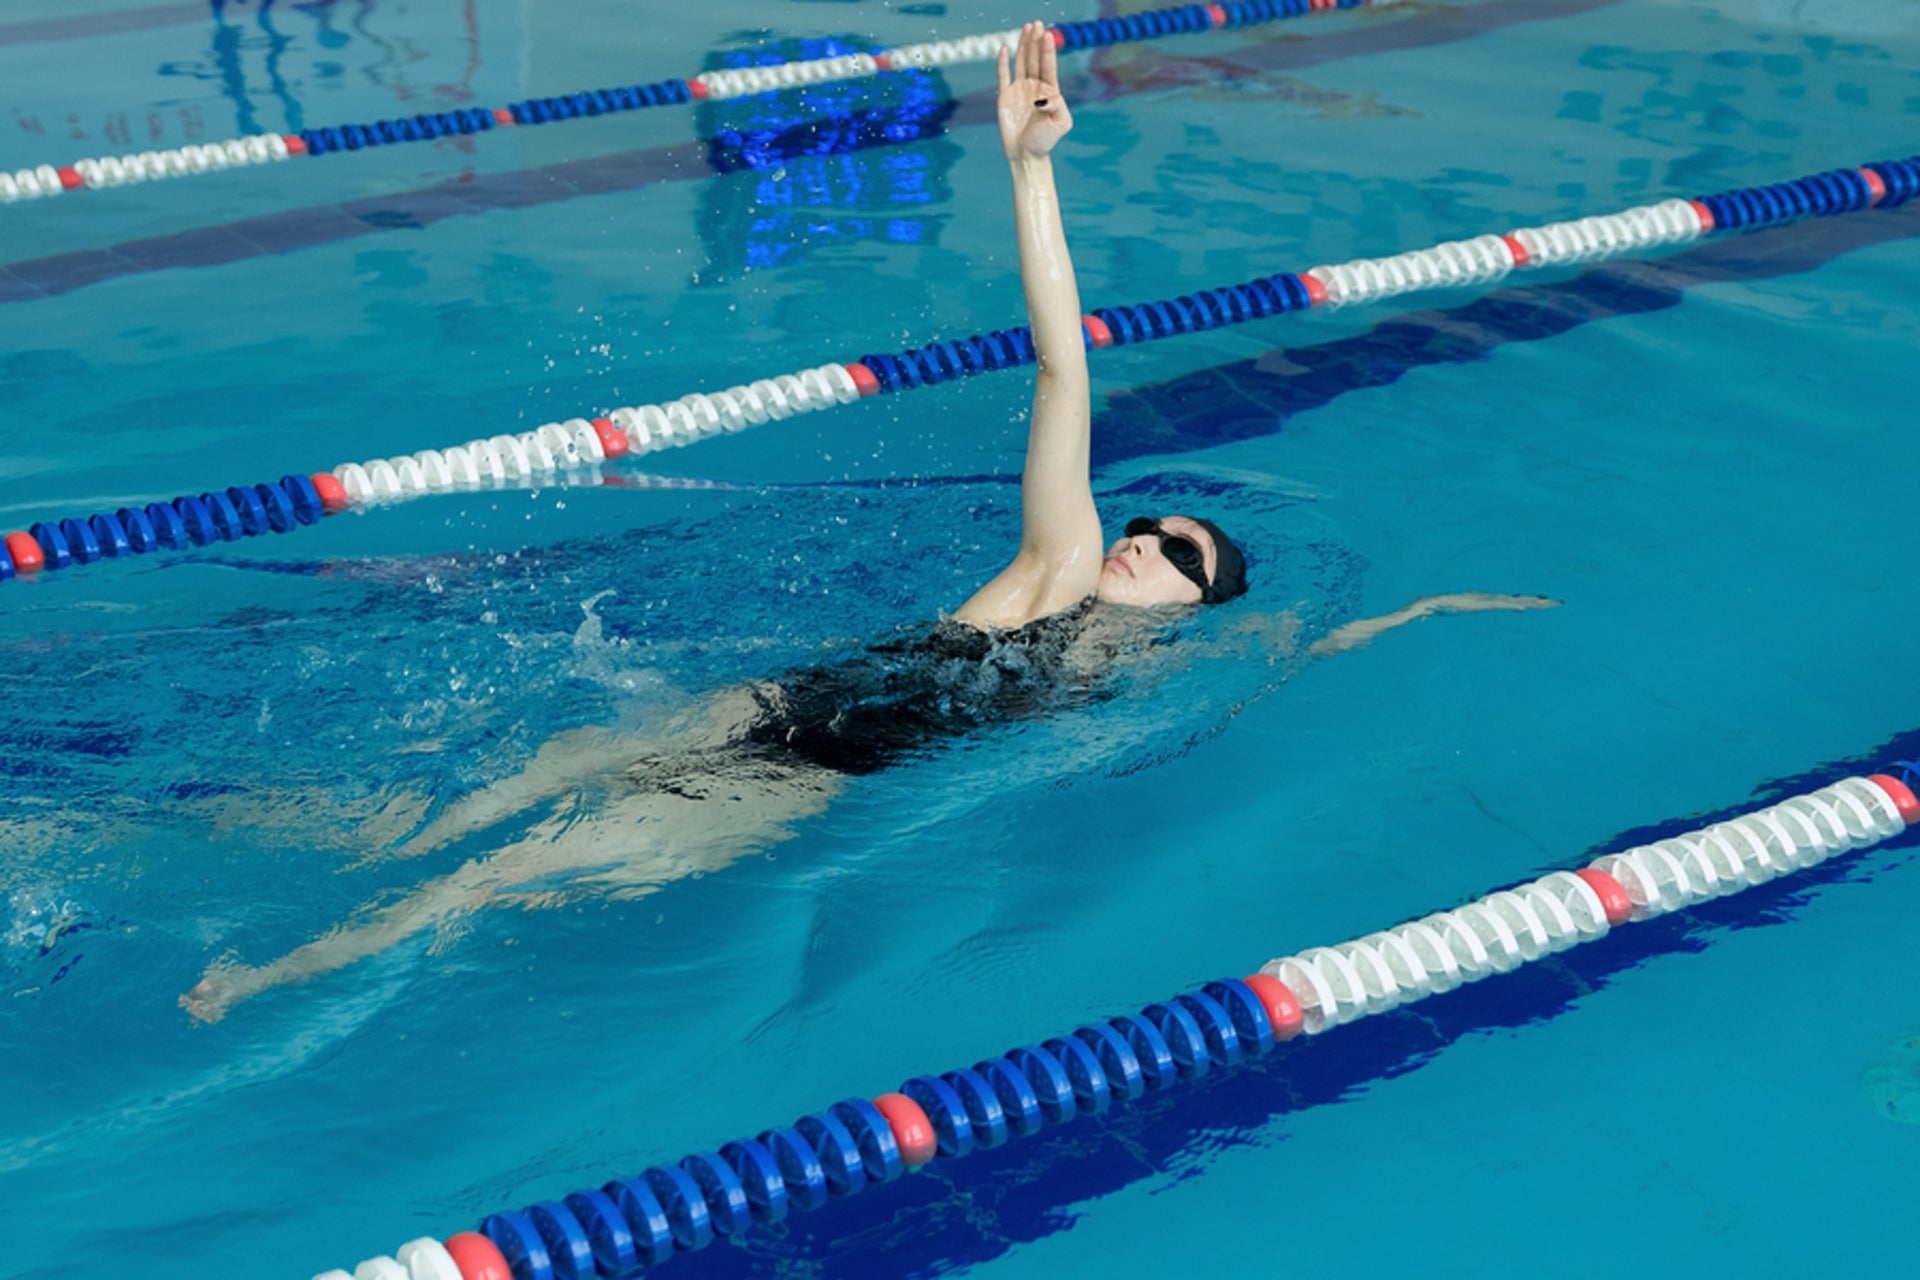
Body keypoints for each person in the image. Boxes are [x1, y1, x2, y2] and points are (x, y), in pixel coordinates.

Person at [181, 23, 1552, 1022]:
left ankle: (261, 923)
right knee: (483, 821)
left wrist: (1430, 614)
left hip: (798, 778)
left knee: (520, 875)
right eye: (1151, 521)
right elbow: (1067, 366)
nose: (1145, 537)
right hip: (773, 714)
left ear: (1199, 603)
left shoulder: (1170, 667)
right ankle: (287, 934)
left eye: (1180, 551)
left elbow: (1297, 654)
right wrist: (1029, 171)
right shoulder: (1058, 572)